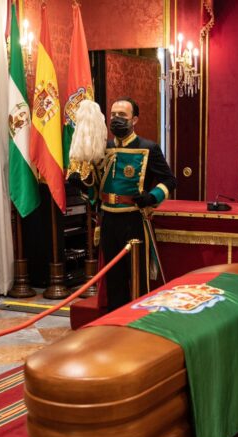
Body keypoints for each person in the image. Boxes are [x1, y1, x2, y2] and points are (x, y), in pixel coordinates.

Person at [94, 97, 176, 310]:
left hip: (133, 219)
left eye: (122, 115)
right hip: (108, 218)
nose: (116, 119)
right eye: (113, 115)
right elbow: (95, 182)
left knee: (137, 274)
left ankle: (137, 319)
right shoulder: (103, 147)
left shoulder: (149, 148)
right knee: (113, 275)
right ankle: (114, 320)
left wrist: (153, 196)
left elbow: (170, 180)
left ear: (135, 120)